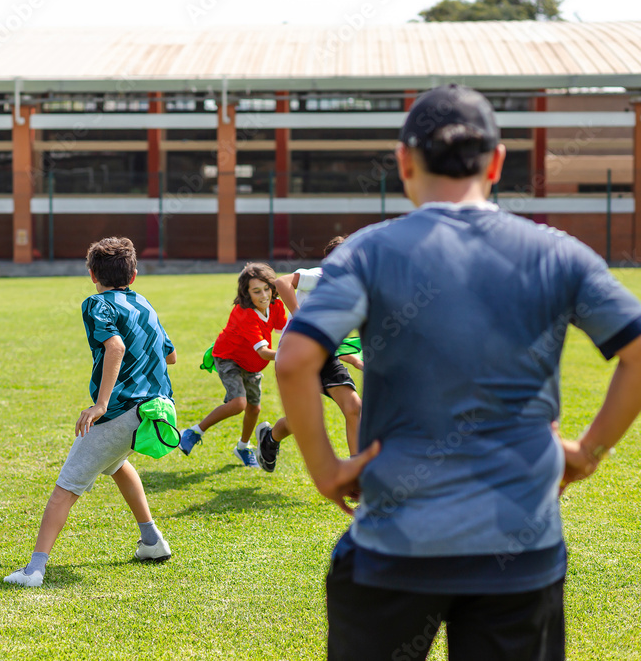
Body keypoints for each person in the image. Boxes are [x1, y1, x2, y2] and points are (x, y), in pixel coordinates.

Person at [275, 84, 641, 660]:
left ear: (404, 161)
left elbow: (295, 358)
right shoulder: (557, 252)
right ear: (496, 162)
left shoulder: (368, 252)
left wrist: (325, 470)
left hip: (392, 549)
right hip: (520, 553)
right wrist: (589, 452)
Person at [4, 237, 176, 587]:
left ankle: (34, 570)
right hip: (158, 410)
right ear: (134, 275)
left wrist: (100, 405)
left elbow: (116, 346)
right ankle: (152, 541)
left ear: (92, 274)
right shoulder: (144, 303)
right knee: (117, 464)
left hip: (123, 411)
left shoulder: (97, 303)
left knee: (65, 488)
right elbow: (170, 355)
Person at [254, 237, 364, 472]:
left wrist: (353, 359)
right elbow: (282, 282)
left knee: (354, 407)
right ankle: (270, 438)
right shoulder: (322, 276)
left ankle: (356, 475)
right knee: (302, 421)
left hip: (323, 357)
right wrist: (300, 316)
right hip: (295, 354)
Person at [179, 263, 287, 467]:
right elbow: (263, 351)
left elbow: (286, 330)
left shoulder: (276, 305)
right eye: (256, 291)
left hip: (252, 363)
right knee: (238, 404)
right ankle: (193, 432)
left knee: (254, 409)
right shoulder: (245, 313)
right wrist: (291, 355)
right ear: (246, 293)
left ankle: (243, 448)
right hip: (228, 357)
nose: (264, 295)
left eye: (267, 289)